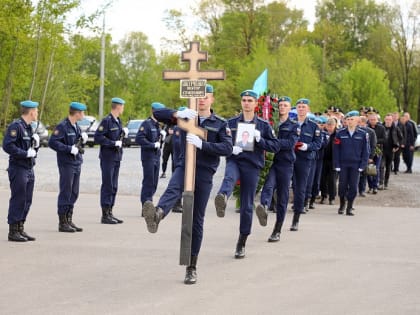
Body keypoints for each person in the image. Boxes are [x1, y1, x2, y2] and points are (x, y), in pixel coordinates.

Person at [142, 84, 232, 285]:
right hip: (185, 165)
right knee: (173, 188)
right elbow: (158, 113)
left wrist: (204, 145)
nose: (202, 100)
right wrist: (178, 112)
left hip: (204, 172)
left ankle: (192, 266)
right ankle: (157, 214)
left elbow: (226, 148)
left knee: (197, 219)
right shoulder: (186, 117)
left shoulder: (219, 123)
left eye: (206, 96)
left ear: (212, 99)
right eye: (199, 97)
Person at [214, 89, 279, 258]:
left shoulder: (264, 125)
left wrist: (260, 140)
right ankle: (223, 197)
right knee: (229, 177)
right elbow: (221, 141)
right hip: (235, 160)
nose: (247, 103)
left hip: (252, 165)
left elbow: (275, 146)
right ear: (241, 102)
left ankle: (242, 241)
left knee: (247, 205)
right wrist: (230, 149)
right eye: (244, 100)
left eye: (250, 100)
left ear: (256, 103)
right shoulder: (231, 122)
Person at [254, 96, 298, 242]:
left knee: (282, 197)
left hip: (286, 164)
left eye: (285, 105)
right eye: (280, 105)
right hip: (275, 162)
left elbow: (290, 143)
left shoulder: (293, 126)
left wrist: (271, 143)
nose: (282, 107)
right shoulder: (272, 123)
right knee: (268, 185)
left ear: (289, 108)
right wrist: (260, 140)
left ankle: (277, 230)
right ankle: (264, 207)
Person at [2, 100, 40, 242]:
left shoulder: (29, 128)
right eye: (36, 111)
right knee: (19, 199)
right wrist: (25, 154)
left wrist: (36, 146)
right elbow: (7, 146)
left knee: (27, 200)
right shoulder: (16, 126)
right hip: (18, 168)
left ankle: (20, 227)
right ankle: (13, 231)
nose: (37, 113)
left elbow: (31, 150)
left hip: (29, 167)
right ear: (31, 112)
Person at [48, 102, 88, 232]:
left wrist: (82, 139)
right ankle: (63, 222)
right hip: (67, 164)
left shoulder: (76, 126)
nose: (84, 115)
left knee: (74, 192)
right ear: (76, 113)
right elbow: (52, 142)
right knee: (66, 191)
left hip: (76, 163)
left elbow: (76, 144)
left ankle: (69, 219)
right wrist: (68, 149)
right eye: (82, 113)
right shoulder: (63, 126)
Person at [94, 97, 128, 224]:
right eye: (122, 106)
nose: (123, 109)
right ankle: (105, 214)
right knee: (107, 185)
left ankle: (110, 212)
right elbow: (98, 137)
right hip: (108, 158)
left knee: (114, 186)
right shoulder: (107, 121)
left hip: (116, 157)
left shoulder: (118, 121)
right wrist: (113, 143)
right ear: (118, 107)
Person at [290, 98, 322, 231]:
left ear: (308, 109)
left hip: (304, 159)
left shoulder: (314, 126)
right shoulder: (290, 123)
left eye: (304, 107)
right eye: (299, 106)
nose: (301, 109)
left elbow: (318, 144)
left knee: (300, 188)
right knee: (284, 185)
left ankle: (296, 218)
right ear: (296, 109)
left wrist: (307, 146)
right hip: (289, 158)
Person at [333, 110, 369, 215]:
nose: (349, 121)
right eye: (348, 119)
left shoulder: (363, 134)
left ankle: (350, 206)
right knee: (342, 185)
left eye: (352, 119)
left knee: (353, 186)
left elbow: (366, 151)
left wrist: (363, 164)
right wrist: (337, 164)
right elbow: (336, 150)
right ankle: (342, 204)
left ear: (357, 120)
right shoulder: (340, 133)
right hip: (343, 164)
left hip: (356, 164)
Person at [136, 102, 166, 209]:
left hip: (156, 157)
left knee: (154, 183)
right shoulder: (147, 124)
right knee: (148, 182)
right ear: (154, 111)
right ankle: (146, 206)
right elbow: (139, 138)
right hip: (148, 157)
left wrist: (162, 138)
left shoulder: (158, 125)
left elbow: (159, 143)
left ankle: (149, 203)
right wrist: (152, 145)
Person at [380, 113, 403, 188]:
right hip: (382, 150)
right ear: (384, 119)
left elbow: (401, 138)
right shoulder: (381, 127)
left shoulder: (396, 128)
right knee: (381, 166)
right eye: (387, 119)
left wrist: (397, 146)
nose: (388, 121)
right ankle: (381, 182)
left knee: (388, 167)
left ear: (392, 120)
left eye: (389, 120)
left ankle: (386, 183)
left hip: (391, 150)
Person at [320, 117, 339, 205]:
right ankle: (324, 196)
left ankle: (332, 197)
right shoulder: (322, 133)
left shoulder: (338, 134)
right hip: (323, 159)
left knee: (332, 180)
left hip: (334, 160)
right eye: (328, 125)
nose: (330, 127)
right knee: (322, 179)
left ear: (335, 126)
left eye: (332, 125)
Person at [358, 115, 377, 197]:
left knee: (364, 174)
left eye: (359, 122)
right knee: (355, 174)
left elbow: (373, 145)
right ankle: (354, 189)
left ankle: (362, 190)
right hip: (356, 155)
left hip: (365, 156)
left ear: (363, 122)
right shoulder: (355, 130)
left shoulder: (371, 132)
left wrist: (370, 157)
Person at [367, 110, 385, 193]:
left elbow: (385, 139)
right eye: (371, 119)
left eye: (374, 119)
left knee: (376, 169)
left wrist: (374, 141)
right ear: (369, 120)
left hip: (378, 151)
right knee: (368, 169)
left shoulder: (381, 128)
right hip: (368, 151)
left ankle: (375, 186)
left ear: (377, 120)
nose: (373, 121)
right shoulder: (367, 128)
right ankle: (370, 186)